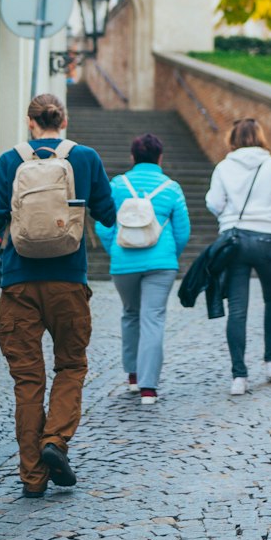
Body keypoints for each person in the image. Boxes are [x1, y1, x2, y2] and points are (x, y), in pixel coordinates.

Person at [0, 92, 115, 498]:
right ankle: (55, 441)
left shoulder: (11, 160)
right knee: (71, 366)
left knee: (27, 379)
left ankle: (32, 478)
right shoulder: (86, 157)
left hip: (19, 283)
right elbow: (108, 215)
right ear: (65, 120)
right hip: (68, 282)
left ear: (30, 121)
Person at [205, 118, 271, 396]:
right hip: (270, 238)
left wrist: (231, 217)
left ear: (232, 138)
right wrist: (269, 216)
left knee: (238, 308)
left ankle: (239, 376)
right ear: (260, 136)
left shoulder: (224, 167)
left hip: (235, 241)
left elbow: (214, 203)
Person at [96, 132, 190, 404]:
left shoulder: (117, 185)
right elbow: (183, 231)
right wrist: (170, 254)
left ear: (132, 157)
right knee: (153, 319)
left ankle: (134, 376)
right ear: (160, 158)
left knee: (130, 314)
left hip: (124, 261)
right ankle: (149, 388)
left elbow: (103, 225)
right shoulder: (171, 188)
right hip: (161, 264)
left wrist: (114, 249)